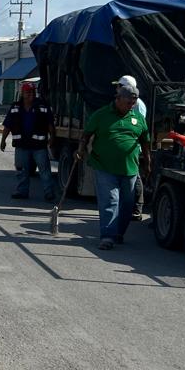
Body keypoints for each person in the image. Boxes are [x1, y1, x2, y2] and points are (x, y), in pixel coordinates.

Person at [79, 82, 151, 250]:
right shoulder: (101, 115)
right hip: (104, 167)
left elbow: (146, 142)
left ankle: (118, 233)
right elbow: (86, 135)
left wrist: (148, 163)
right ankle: (107, 237)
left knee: (127, 204)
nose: (131, 106)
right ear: (118, 99)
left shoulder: (137, 118)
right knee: (111, 201)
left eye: (134, 102)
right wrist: (81, 150)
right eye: (128, 102)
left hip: (130, 169)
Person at [0, 81, 56, 200]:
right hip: (21, 145)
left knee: (44, 170)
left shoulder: (42, 106)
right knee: (21, 169)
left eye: (32, 92)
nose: (30, 94)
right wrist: (3, 140)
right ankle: (22, 191)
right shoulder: (15, 107)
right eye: (27, 92)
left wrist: (52, 138)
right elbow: (7, 125)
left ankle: (49, 193)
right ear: (22, 93)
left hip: (39, 146)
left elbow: (50, 124)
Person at [115, 75, 147, 220]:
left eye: (119, 86)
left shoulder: (136, 104)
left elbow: (137, 127)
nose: (117, 89)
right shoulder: (123, 102)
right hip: (128, 147)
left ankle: (137, 208)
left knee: (135, 177)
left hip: (133, 148)